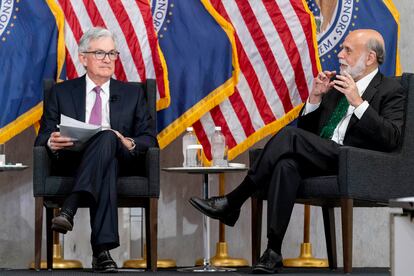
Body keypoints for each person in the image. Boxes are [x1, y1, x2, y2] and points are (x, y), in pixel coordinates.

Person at [189, 29, 405, 274]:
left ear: (369, 58)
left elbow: (392, 139)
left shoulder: (391, 89)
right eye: (341, 48)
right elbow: (308, 135)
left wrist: (358, 103)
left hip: (356, 161)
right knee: (286, 164)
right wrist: (314, 98)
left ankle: (235, 200)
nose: (340, 54)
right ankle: (273, 251)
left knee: (290, 137)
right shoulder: (335, 87)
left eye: (347, 50)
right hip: (325, 156)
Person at [35, 27, 158, 272]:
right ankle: (102, 252)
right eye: (100, 53)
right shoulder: (61, 92)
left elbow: (150, 140)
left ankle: (69, 207)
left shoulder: (133, 93)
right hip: (75, 159)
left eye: (112, 53)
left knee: (108, 138)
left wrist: (129, 142)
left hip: (123, 157)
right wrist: (51, 141)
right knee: (106, 156)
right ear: (83, 58)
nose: (107, 59)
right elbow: (42, 137)